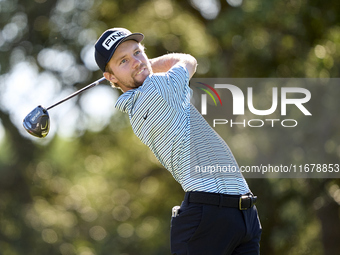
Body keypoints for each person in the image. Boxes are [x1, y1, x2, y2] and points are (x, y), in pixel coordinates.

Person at [94, 28, 262, 255]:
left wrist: (140, 64)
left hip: (242, 215)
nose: (135, 62)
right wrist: (149, 63)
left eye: (137, 53)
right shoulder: (156, 90)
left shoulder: (144, 100)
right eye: (123, 61)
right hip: (209, 216)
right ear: (111, 77)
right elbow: (187, 60)